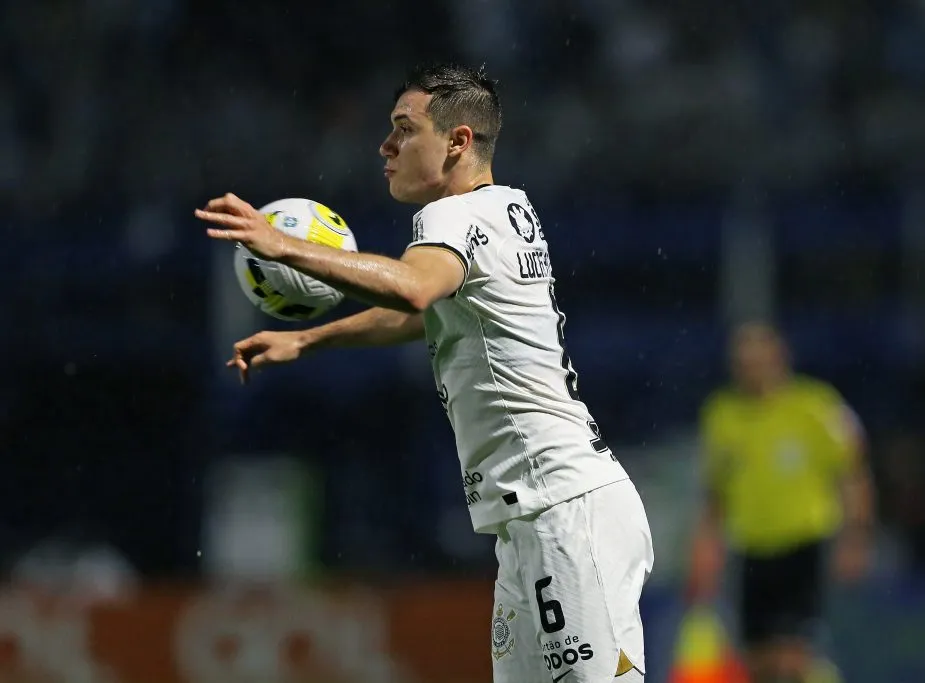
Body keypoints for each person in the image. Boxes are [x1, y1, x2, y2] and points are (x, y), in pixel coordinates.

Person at [194, 62, 653, 683]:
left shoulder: (451, 217)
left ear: (458, 141)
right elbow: (423, 312)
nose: (386, 146)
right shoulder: (507, 208)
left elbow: (412, 289)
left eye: (404, 129)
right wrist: (307, 338)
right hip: (536, 519)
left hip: (562, 510)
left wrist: (286, 246)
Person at [689, 322, 875, 683]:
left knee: (791, 656)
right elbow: (715, 493)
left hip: (802, 544)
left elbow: (852, 473)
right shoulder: (722, 414)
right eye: (743, 362)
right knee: (756, 660)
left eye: (758, 360)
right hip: (750, 549)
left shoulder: (815, 406)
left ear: (780, 357)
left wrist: (856, 537)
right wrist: (705, 547)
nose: (751, 369)